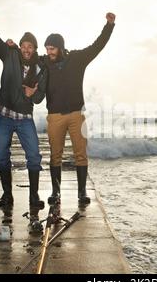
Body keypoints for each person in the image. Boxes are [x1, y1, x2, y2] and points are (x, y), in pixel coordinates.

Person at [44, 12, 116, 206]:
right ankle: (56, 192)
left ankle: (82, 191)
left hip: (77, 114)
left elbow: (97, 46)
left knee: (80, 153)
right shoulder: (44, 62)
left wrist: (109, 25)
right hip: (55, 116)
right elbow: (25, 56)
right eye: (47, 48)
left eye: (52, 48)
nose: (49, 52)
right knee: (55, 155)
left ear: (60, 48)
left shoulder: (76, 59)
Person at [0, 10, 47, 209]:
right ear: (19, 47)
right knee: (0, 153)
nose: (27, 49)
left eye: (30, 47)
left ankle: (34, 197)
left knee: (34, 156)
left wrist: (31, 94)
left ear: (34, 49)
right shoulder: (9, 55)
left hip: (25, 118)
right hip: (4, 115)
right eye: (24, 46)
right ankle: (7, 195)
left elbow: (40, 96)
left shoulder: (40, 68)